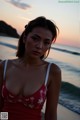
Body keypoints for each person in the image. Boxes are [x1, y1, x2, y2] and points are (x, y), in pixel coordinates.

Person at [0, 16, 61, 120]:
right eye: (35, 38)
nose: (39, 46)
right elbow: (1, 107)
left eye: (46, 42)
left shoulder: (51, 72)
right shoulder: (5, 66)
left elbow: (50, 115)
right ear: (24, 38)